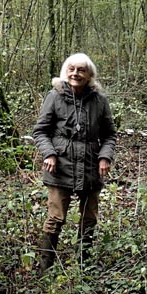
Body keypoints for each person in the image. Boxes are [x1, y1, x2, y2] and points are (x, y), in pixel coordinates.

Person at [32, 53, 117, 269]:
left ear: (90, 74)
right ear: (65, 72)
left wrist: (105, 157)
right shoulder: (54, 96)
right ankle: (45, 267)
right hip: (60, 167)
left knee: (89, 219)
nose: (75, 74)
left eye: (81, 70)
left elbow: (109, 135)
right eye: (72, 69)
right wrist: (49, 153)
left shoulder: (100, 100)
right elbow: (41, 131)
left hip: (90, 167)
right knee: (56, 218)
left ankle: (84, 266)